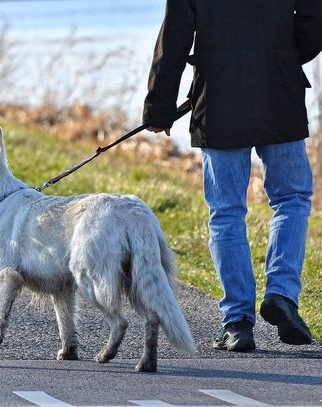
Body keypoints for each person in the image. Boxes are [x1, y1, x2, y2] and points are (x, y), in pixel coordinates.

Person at [143, 0, 322, 351]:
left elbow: (175, 38)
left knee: (226, 212)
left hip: (219, 100)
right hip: (279, 92)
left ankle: (238, 322)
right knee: (292, 199)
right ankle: (282, 294)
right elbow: (314, 22)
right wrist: (281, 57)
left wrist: (159, 107)